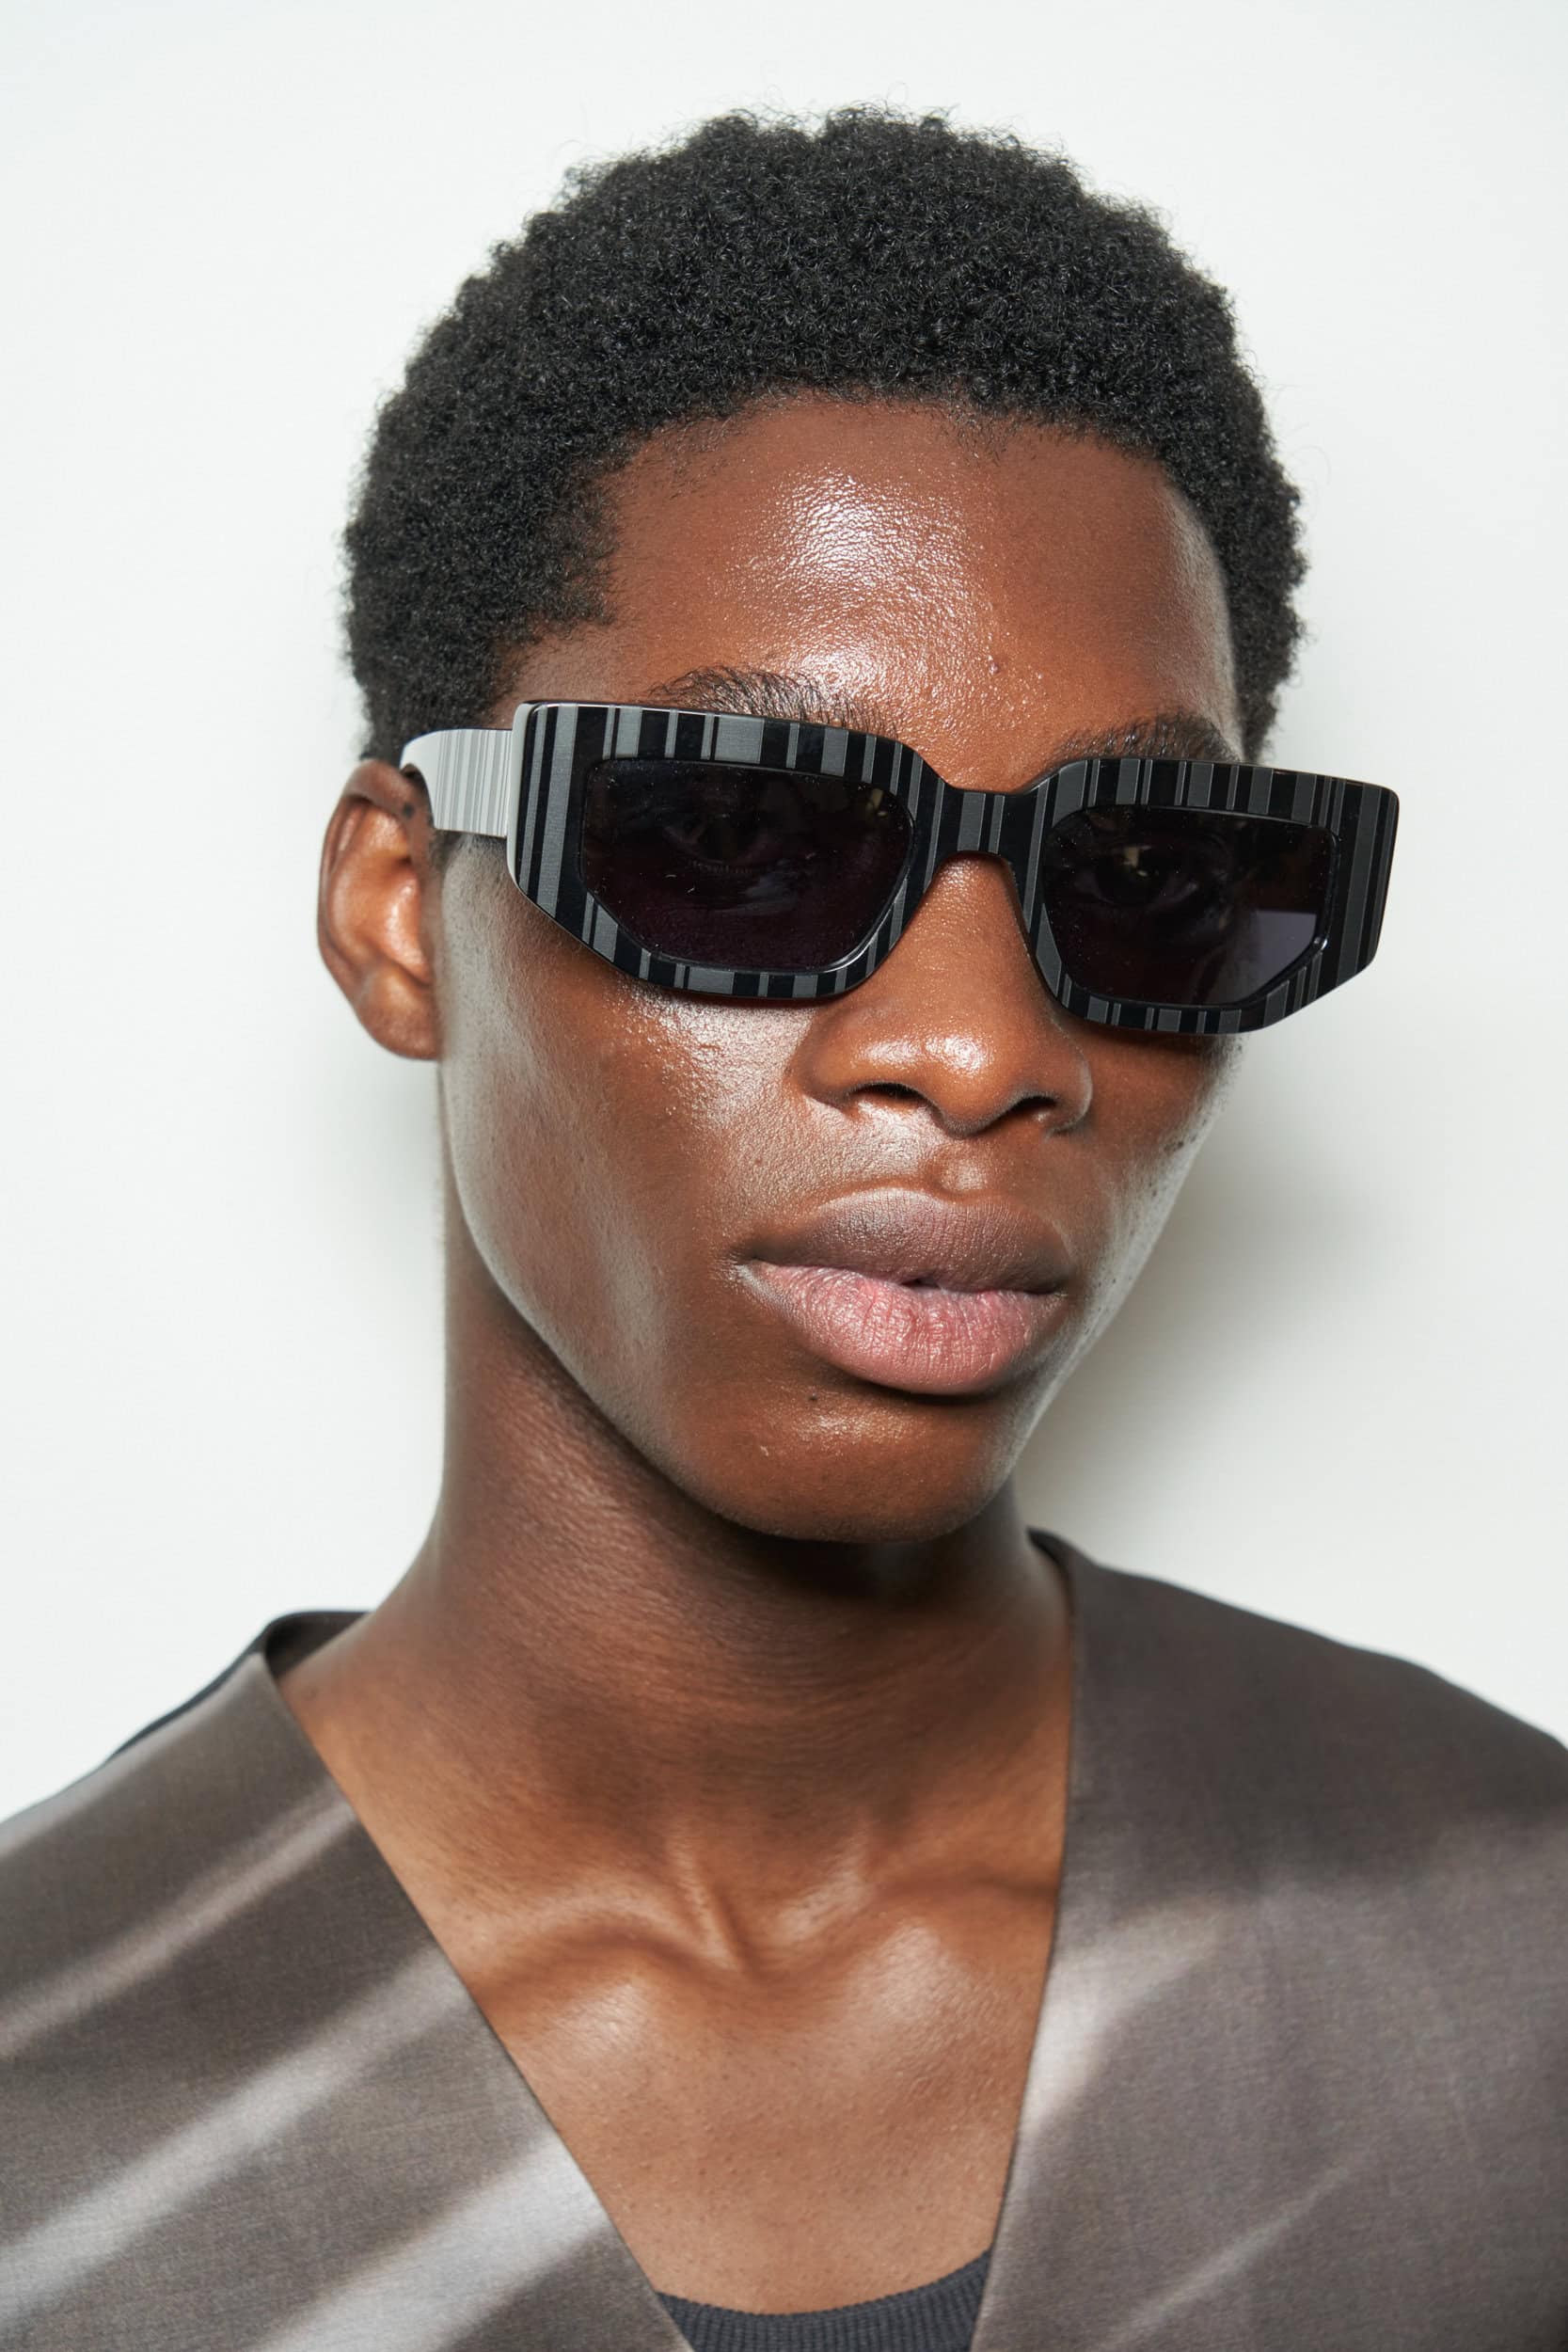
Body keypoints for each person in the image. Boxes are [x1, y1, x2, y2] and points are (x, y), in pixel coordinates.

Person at [1, 107, 1561, 2352]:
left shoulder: (1510, 1947)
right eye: (738, 837)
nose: (977, 1045)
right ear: (401, 911)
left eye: (1146, 874)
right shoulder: (51, 2097)